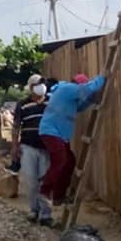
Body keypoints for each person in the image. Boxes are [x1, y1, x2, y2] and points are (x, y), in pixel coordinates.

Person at [38, 72, 106, 209]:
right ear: (77, 85)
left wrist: (90, 101)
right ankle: (45, 190)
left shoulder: (69, 96)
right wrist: (103, 78)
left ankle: (59, 196)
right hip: (51, 131)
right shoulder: (68, 88)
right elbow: (87, 89)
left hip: (60, 134)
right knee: (60, 160)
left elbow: (79, 107)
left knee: (69, 162)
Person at [9, 73, 53, 226]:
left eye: (42, 83)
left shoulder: (51, 101)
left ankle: (46, 214)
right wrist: (14, 146)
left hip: (46, 147)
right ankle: (34, 210)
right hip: (28, 147)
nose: (42, 86)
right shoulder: (23, 104)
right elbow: (16, 126)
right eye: (38, 84)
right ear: (31, 88)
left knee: (45, 181)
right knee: (31, 181)